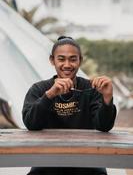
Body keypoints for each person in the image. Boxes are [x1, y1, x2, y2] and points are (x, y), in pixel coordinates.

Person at [22, 36, 117, 175]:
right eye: (61, 59)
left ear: (80, 61)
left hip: (88, 161)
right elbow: (31, 123)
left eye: (73, 59)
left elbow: (104, 126)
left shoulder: (92, 88)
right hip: (47, 161)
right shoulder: (39, 89)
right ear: (52, 60)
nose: (67, 64)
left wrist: (107, 98)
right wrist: (49, 95)